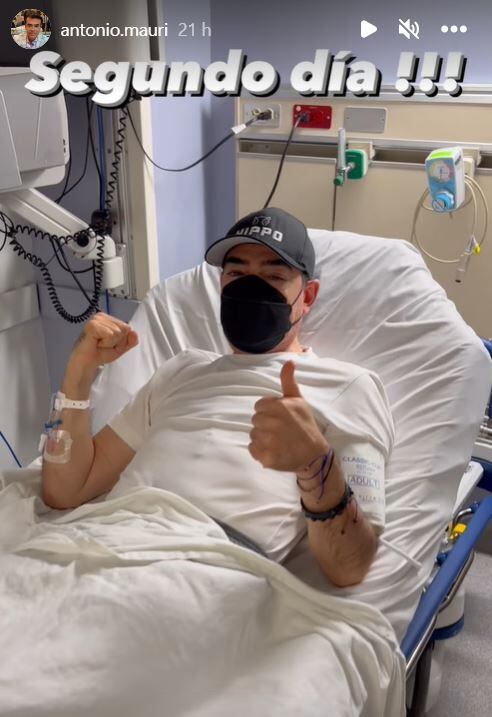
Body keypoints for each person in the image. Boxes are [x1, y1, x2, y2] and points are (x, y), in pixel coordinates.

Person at [41, 208, 394, 588]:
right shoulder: (181, 370)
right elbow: (66, 490)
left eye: (274, 276)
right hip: (101, 543)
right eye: (237, 274)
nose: (250, 289)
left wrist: (316, 466)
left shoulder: (347, 386)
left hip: (200, 570)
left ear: (306, 297)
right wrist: (78, 375)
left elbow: (351, 567)